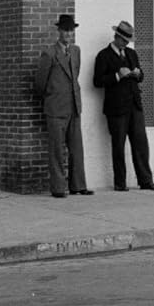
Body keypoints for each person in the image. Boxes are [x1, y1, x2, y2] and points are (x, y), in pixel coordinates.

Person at [93, 20, 154, 191]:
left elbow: (141, 75)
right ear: (116, 37)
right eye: (123, 40)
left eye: (127, 41)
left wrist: (137, 74)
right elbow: (97, 81)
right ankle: (120, 183)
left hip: (134, 105)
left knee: (140, 144)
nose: (125, 44)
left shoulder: (131, 53)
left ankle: (145, 180)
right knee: (118, 145)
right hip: (116, 108)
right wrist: (117, 75)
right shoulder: (104, 55)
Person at [33, 13, 92, 198]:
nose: (68, 34)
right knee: (57, 149)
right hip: (56, 108)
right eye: (65, 30)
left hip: (74, 107)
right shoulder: (49, 53)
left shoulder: (76, 51)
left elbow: (75, 76)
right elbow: (40, 83)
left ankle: (78, 185)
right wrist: (52, 96)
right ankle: (58, 188)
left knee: (76, 149)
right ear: (59, 31)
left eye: (71, 30)